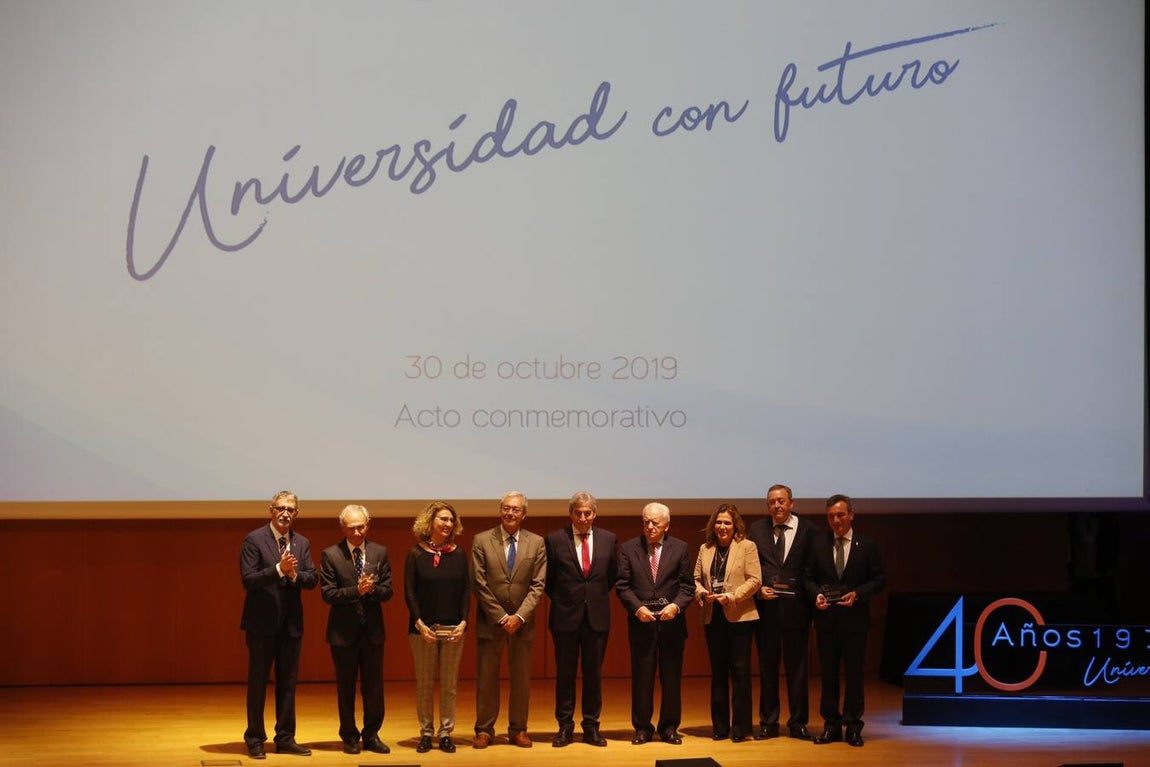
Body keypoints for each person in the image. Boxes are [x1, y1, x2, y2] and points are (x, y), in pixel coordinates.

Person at [239, 491, 319, 759]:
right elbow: (249, 580)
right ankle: (255, 738)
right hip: (261, 625)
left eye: (291, 509)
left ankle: (285, 737)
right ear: (271, 510)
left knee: (288, 684)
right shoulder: (254, 539)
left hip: (291, 626)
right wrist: (278, 570)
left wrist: (294, 574)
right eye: (281, 508)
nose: (286, 513)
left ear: (296, 514)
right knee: (258, 683)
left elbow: (312, 579)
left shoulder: (302, 542)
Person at [807, 494, 886, 748]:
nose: (836, 520)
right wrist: (816, 594)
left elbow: (879, 580)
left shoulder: (868, 544)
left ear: (851, 515)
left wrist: (859, 594)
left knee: (854, 676)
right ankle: (831, 726)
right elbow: (807, 578)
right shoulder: (819, 544)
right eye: (831, 516)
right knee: (828, 676)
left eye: (840, 515)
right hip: (827, 622)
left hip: (855, 623)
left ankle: (853, 727)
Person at [471, 491, 547, 748]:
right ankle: (484, 730)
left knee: (521, 679)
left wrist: (519, 617)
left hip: (523, 624)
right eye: (506, 508)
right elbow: (479, 584)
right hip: (491, 621)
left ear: (523, 514)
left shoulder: (536, 543)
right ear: (500, 510)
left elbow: (538, 585)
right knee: (486, 679)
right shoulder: (481, 540)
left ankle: (518, 729)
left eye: (515, 509)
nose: (510, 513)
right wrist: (502, 617)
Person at [614, 502, 694, 746]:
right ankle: (642, 728)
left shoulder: (680, 548)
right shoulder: (628, 548)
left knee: (671, 678)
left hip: (672, 625)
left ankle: (669, 728)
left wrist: (676, 606)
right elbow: (622, 585)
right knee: (642, 677)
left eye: (655, 523)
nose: (649, 526)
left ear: (666, 525)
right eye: (646, 521)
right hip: (641, 623)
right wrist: (637, 608)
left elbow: (687, 586)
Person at [545, 491, 619, 747]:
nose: (583, 517)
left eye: (588, 513)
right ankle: (565, 727)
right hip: (564, 618)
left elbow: (611, 577)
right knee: (564, 676)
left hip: (596, 618)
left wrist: (591, 599)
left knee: (593, 675)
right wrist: (569, 600)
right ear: (571, 514)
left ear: (594, 514)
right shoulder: (554, 540)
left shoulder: (609, 539)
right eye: (578, 513)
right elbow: (549, 581)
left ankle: (591, 727)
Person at [319, 504, 394, 755]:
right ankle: (349, 736)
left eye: (361, 526)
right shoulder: (331, 555)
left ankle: (371, 735)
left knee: (374, 688)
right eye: (351, 527)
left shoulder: (380, 552)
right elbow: (328, 594)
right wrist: (356, 591)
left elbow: (388, 591)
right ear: (343, 528)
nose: (357, 532)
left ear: (368, 525)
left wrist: (372, 590)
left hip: (372, 632)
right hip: (343, 634)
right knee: (346, 687)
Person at [746, 484, 817, 740]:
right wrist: (758, 590)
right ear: (767, 506)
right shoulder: (756, 529)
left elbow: (812, 571)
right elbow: (750, 567)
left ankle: (798, 723)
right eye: (772, 502)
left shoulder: (809, 531)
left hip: (798, 613)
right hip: (767, 612)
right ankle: (769, 723)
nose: (776, 506)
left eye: (781, 501)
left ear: (791, 503)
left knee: (798, 671)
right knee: (767, 670)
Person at [404, 501, 470, 754]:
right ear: (430, 522)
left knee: (449, 685)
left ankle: (445, 733)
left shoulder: (459, 554)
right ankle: (426, 732)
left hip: (454, 629)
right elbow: (409, 593)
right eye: (443, 519)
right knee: (424, 684)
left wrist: (464, 623)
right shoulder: (415, 554)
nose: (448, 524)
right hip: (423, 630)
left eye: (451, 520)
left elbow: (466, 591)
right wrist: (419, 624)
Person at [693, 502, 761, 743]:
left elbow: (755, 580)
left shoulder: (747, 546)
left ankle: (741, 727)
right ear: (713, 525)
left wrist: (732, 597)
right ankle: (720, 727)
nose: (722, 526)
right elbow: (696, 579)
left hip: (740, 616)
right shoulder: (705, 548)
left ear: (735, 526)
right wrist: (702, 593)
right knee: (718, 674)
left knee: (740, 673)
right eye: (719, 522)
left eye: (727, 523)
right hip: (714, 617)